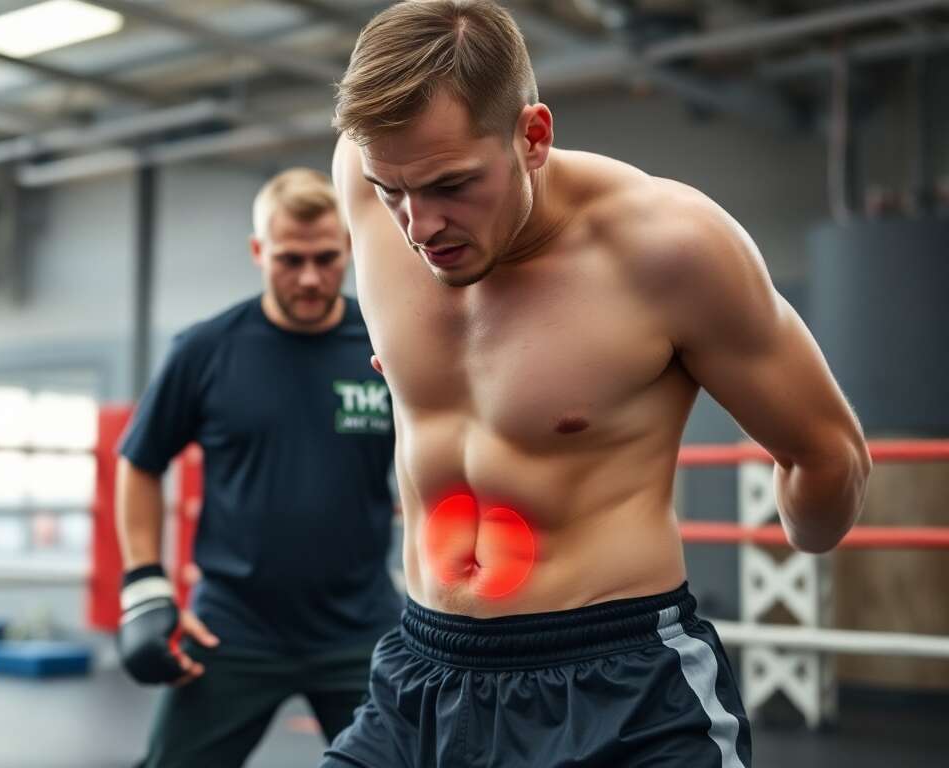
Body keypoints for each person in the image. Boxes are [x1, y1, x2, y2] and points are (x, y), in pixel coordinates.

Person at [323, 2, 871, 766]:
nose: (419, 227)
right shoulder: (361, 170)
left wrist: (807, 529)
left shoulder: (668, 247)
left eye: (453, 185)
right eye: (393, 192)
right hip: (422, 673)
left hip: (617, 690)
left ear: (533, 136)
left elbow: (830, 453)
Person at [115, 168, 401, 768]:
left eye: (326, 258)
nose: (309, 278)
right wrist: (145, 585)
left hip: (360, 625)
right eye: (288, 259)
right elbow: (140, 462)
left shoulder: (389, 342)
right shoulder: (206, 348)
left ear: (349, 246)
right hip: (236, 627)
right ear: (257, 251)